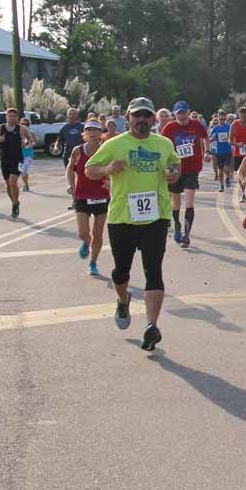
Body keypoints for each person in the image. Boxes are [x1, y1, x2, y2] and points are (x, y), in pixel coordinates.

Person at [84, 97, 180, 352]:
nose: (142, 120)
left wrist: (173, 173)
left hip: (156, 217)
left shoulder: (163, 144)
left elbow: (174, 166)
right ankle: (122, 299)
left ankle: (151, 326)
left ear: (153, 119)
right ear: (127, 118)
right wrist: (108, 168)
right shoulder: (114, 144)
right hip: (122, 217)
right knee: (120, 272)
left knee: (153, 270)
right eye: (136, 115)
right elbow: (89, 170)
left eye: (146, 116)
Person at [162, 100, 209, 249]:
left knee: (189, 202)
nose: (182, 116)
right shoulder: (169, 127)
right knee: (176, 202)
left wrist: (207, 151)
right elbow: (162, 145)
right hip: (175, 168)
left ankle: (186, 236)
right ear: (174, 114)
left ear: (188, 112)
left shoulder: (196, 125)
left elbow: (205, 137)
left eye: (184, 112)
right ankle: (176, 225)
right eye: (179, 113)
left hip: (192, 168)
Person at [66, 120, 110, 276]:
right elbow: (70, 168)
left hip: (102, 195)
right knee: (83, 233)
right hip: (82, 195)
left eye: (95, 130)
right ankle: (86, 242)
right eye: (89, 130)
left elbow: (113, 169)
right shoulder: (77, 151)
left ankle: (93, 263)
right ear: (84, 133)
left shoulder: (106, 150)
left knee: (98, 232)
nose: (92, 132)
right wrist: (70, 184)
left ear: (100, 133)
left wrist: (110, 181)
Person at [0, 107, 35, 219]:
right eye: (10, 116)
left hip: (18, 159)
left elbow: (30, 139)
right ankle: (15, 201)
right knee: (8, 184)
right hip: (5, 159)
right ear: (6, 117)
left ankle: (14, 206)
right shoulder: (0, 128)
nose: (12, 118)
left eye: (14, 116)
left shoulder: (22, 128)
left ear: (17, 118)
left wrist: (26, 143)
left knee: (13, 182)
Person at [209, 114, 233, 192]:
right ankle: (221, 185)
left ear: (225, 119)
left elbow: (233, 135)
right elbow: (210, 139)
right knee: (220, 170)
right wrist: (213, 138)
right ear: (218, 119)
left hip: (227, 150)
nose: (222, 121)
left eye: (223, 119)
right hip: (218, 152)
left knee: (226, 168)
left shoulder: (229, 127)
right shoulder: (215, 129)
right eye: (221, 119)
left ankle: (228, 177)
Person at [18, 118, 36, 190]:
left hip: (28, 154)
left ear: (29, 125)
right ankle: (26, 184)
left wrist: (32, 144)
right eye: (22, 124)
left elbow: (34, 141)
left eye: (26, 124)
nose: (24, 125)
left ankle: (26, 185)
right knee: (22, 171)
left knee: (24, 169)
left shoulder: (31, 133)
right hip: (20, 154)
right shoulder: (17, 133)